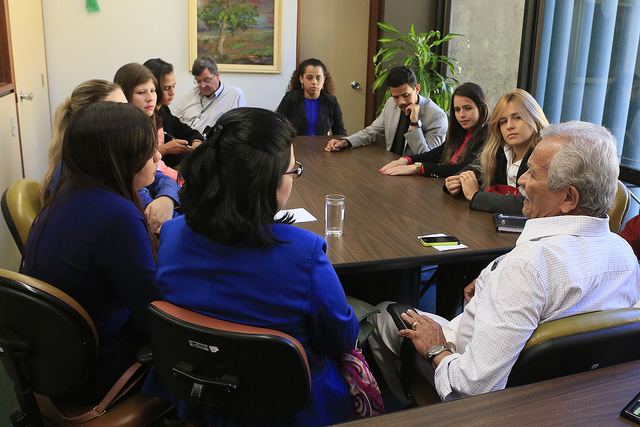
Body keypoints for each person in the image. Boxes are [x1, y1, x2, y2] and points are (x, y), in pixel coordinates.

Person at [368, 121, 640, 404]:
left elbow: (472, 388)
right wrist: (491, 283)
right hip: (564, 396)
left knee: (381, 314)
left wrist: (436, 348)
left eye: (532, 174)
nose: (521, 181)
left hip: (477, 388)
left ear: (569, 198)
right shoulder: (624, 255)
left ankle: (413, 406)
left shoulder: (528, 267)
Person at [142, 107, 359, 426]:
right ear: (266, 183)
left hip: (204, 399)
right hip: (290, 407)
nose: (294, 177)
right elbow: (341, 338)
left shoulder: (172, 236)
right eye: (293, 170)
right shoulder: (303, 252)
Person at [23, 102, 163, 403]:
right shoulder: (117, 215)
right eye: (148, 151)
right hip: (96, 369)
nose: (157, 157)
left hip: (56, 361)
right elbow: (153, 318)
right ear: (119, 158)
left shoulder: (65, 193)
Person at [41, 78, 180, 233]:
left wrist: (167, 198)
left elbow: (160, 178)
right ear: (93, 120)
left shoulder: (104, 158)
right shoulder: (93, 175)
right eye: (117, 110)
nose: (127, 115)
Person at [444, 88, 549, 214]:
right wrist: (454, 183)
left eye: (517, 117)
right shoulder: (499, 151)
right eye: (503, 121)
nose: (509, 126)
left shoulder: (545, 156)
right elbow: (472, 170)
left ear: (534, 118)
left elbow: (526, 203)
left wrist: (475, 196)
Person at [114, 63, 181, 231]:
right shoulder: (124, 140)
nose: (151, 98)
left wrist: (168, 197)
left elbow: (159, 175)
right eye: (141, 92)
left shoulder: (151, 120)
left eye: (153, 90)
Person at [325, 65, 447, 156]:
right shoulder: (391, 104)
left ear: (417, 89)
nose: (401, 102)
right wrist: (344, 142)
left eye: (406, 95)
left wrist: (415, 123)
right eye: (396, 97)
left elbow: (426, 157)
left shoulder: (436, 116)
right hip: (391, 168)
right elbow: (371, 132)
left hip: (417, 176)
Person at [379, 82, 489, 177]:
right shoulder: (461, 132)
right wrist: (406, 160)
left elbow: (462, 169)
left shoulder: (489, 136)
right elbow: (435, 155)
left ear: (481, 108)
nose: (461, 115)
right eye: (457, 109)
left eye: (468, 108)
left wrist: (419, 168)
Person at [144, 58, 203, 168]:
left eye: (173, 86)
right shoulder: (141, 116)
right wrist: (165, 149)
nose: (172, 93)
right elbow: (138, 158)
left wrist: (196, 143)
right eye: (167, 88)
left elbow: (189, 132)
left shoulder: (163, 110)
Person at [172, 55, 246, 134]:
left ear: (217, 75)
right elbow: (174, 126)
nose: (202, 86)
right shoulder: (187, 97)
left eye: (206, 80)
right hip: (188, 143)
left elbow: (240, 129)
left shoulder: (235, 95)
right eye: (198, 81)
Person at [276, 57, 346, 136]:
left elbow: (340, 132)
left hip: (322, 146)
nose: (314, 82)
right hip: (295, 146)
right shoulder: (290, 98)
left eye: (318, 78)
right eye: (309, 78)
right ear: (301, 79)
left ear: (324, 79)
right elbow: (278, 128)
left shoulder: (331, 101)